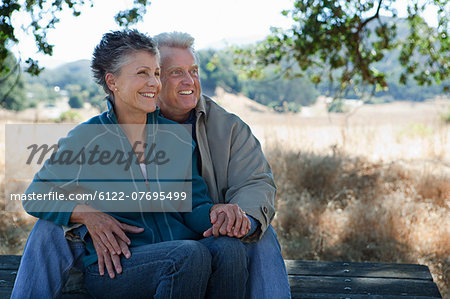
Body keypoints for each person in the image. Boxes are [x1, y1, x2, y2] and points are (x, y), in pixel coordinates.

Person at [11, 30, 290, 299]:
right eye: (142, 73)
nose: (153, 83)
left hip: (179, 251)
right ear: (113, 82)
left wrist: (222, 215)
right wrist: (87, 214)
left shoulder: (174, 137)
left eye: (156, 73)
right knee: (187, 255)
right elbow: (36, 194)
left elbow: (193, 204)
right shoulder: (87, 138)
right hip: (120, 265)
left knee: (228, 249)